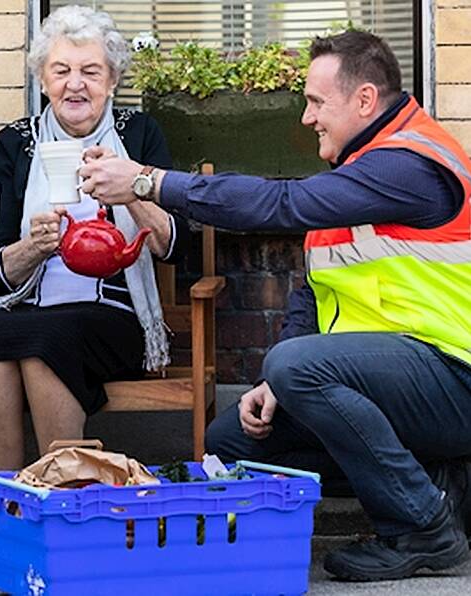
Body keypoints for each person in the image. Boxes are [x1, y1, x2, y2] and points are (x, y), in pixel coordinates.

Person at [80, 30, 471, 582]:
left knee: (295, 368)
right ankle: (437, 479)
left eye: (316, 102)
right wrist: (274, 383)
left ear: (364, 100)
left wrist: (148, 181)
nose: (308, 117)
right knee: (232, 441)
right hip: (397, 386)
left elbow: (280, 204)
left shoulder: (409, 164)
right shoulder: (359, 172)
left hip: (455, 378)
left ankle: (424, 529)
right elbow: (312, 295)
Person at [0, 4, 189, 575]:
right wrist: (33, 246)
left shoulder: (138, 133)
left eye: (89, 70)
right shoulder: (15, 143)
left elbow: (168, 244)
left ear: (111, 79)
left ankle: (64, 513)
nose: (75, 84)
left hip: (117, 316)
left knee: (43, 339)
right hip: (30, 302)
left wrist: (130, 186)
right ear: (42, 79)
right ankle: (8, 516)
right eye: (61, 71)